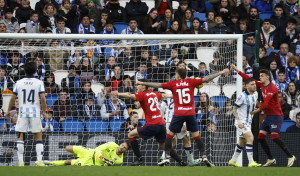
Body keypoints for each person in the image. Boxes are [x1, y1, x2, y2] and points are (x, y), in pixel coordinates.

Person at [136, 68, 230, 167]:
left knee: (169, 136)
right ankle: (204, 156)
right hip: (190, 113)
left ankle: (167, 158)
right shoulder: (191, 81)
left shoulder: (173, 84)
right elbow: (206, 78)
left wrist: (142, 82)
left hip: (179, 114)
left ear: (177, 75)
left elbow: (158, 85)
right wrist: (221, 72)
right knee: (196, 136)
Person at [231, 64, 296, 167]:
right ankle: (270, 158)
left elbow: (266, 103)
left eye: (262, 76)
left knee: (274, 137)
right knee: (260, 137)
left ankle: (290, 156)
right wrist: (237, 70)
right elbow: (248, 78)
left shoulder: (272, 88)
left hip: (276, 115)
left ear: (267, 77)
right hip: (268, 116)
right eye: (260, 76)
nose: (260, 77)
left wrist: (258, 110)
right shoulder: (261, 85)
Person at [113, 79, 177, 166]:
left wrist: (119, 94)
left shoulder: (142, 94)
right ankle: (180, 161)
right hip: (161, 124)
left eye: (138, 84)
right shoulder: (154, 93)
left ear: (143, 86)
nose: (136, 86)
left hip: (152, 124)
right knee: (163, 145)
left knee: (130, 135)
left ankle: (139, 159)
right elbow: (164, 95)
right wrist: (175, 96)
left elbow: (129, 95)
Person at [5, 62, 47, 167]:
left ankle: (20, 162)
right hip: (35, 112)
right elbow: (42, 97)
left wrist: (8, 111)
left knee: (21, 137)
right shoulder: (38, 82)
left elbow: (13, 98)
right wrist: (45, 111)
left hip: (23, 112)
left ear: (24, 71)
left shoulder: (19, 82)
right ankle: (39, 161)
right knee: (38, 137)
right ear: (35, 71)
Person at [159, 96, 202, 166]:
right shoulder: (180, 95)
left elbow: (161, 107)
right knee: (187, 140)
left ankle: (163, 157)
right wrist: (185, 123)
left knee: (171, 141)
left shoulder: (168, 96)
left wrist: (163, 117)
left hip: (168, 121)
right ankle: (191, 161)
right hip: (178, 119)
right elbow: (183, 109)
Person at [228, 78, 261, 167]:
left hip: (248, 122)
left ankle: (233, 160)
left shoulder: (256, 94)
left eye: (254, 84)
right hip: (241, 122)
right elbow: (234, 108)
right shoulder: (242, 96)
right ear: (246, 86)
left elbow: (256, 102)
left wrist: (259, 108)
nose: (254, 86)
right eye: (252, 84)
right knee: (250, 137)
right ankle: (251, 162)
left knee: (242, 141)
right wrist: (238, 120)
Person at [43, 141, 131, 166]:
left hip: (91, 162)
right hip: (90, 152)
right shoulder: (112, 144)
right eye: (122, 145)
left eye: (124, 148)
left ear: (126, 151)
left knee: (68, 162)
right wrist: (102, 157)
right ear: (121, 143)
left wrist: (103, 161)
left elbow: (107, 165)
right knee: (68, 147)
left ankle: (49, 163)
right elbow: (97, 149)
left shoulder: (119, 160)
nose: (122, 147)